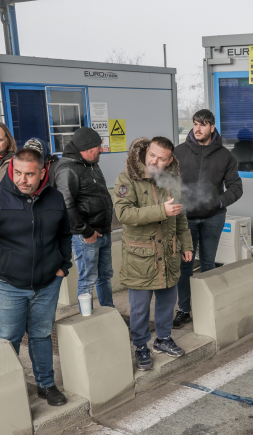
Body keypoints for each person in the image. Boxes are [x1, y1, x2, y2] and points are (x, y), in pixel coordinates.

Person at [0, 139, 72, 406]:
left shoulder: (54, 198)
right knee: (8, 340)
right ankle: (6, 391)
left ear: (42, 172)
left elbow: (64, 234)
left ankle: (46, 384)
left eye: (29, 173)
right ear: (11, 169)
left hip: (47, 283)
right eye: (17, 172)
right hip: (6, 284)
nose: (22, 179)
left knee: (41, 335)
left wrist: (64, 265)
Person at [114, 137, 194, 370]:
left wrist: (186, 245)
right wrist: (161, 210)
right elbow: (125, 214)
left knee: (167, 301)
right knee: (139, 307)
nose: (154, 162)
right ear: (147, 151)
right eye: (152, 155)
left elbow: (180, 216)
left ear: (170, 161)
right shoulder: (127, 178)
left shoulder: (172, 180)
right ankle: (140, 346)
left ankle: (163, 338)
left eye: (161, 159)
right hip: (141, 256)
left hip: (168, 252)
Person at [172, 109, 243, 329]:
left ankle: (208, 306)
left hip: (213, 218)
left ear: (212, 127)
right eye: (195, 124)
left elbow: (236, 188)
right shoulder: (179, 152)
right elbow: (166, 182)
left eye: (202, 124)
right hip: (186, 219)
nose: (197, 128)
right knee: (185, 264)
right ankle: (184, 309)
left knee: (208, 263)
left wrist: (219, 202)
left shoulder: (225, 155)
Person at [51, 127, 114, 308]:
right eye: (98, 147)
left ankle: (108, 313)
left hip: (102, 232)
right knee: (88, 279)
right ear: (87, 149)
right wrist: (86, 231)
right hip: (86, 237)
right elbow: (66, 205)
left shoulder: (91, 164)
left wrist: (105, 224)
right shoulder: (67, 169)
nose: (101, 150)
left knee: (105, 277)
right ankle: (87, 320)